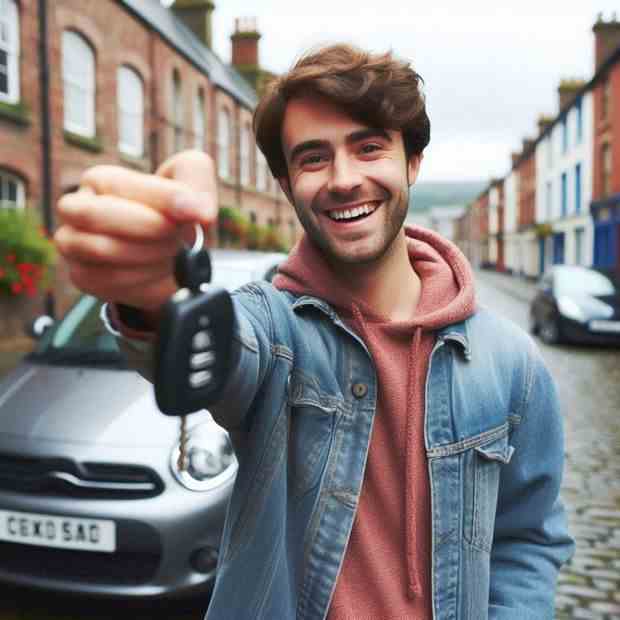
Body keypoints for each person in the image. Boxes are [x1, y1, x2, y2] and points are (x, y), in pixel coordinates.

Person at [55, 44, 574, 620]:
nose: (345, 179)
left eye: (369, 147)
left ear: (412, 162)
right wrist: (151, 292)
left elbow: (528, 537)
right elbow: (226, 348)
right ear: (285, 183)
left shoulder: (512, 363)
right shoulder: (274, 327)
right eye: (312, 158)